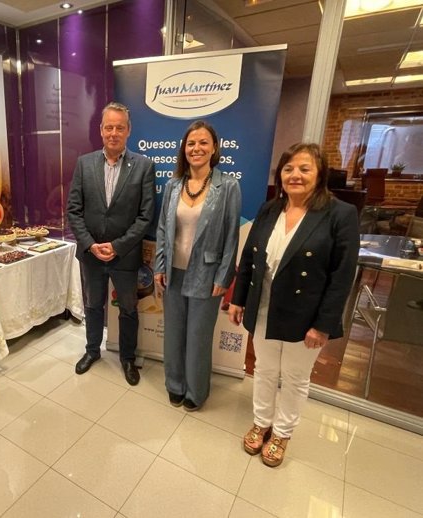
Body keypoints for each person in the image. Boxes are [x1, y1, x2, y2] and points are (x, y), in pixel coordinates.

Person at [228, 143, 359, 467]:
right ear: (280, 174)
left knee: (296, 377)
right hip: (263, 308)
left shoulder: (339, 214)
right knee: (264, 369)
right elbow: (249, 259)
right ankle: (261, 422)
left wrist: (324, 324)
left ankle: (282, 432)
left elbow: (342, 276)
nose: (295, 175)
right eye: (288, 169)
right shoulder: (269, 209)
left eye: (304, 169)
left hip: (307, 315)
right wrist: (238, 299)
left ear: (320, 174)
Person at [154, 120, 241, 411]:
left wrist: (224, 275)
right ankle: (174, 384)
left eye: (203, 142)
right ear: (184, 149)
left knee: (198, 337)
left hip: (207, 273)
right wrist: (159, 266)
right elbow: (162, 230)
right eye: (191, 143)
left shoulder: (227, 186)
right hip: (173, 272)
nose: (197, 148)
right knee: (174, 332)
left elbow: (231, 235)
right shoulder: (172, 185)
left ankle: (196, 391)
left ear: (214, 148)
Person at [67, 102, 155, 385]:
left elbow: (145, 217)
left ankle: (128, 359)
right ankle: (92, 351)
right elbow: (74, 210)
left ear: (128, 131)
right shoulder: (84, 163)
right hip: (91, 254)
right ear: (101, 130)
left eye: (119, 127)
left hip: (125, 256)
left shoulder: (143, 166)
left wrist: (117, 246)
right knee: (93, 306)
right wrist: (90, 244)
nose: (113, 132)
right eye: (109, 127)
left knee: (129, 310)